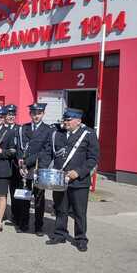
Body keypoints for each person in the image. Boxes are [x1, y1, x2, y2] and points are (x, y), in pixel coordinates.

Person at [41, 108, 99, 252]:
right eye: (64, 120)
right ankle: (60, 234)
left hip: (79, 182)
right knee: (60, 209)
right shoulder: (57, 133)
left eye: (68, 120)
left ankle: (81, 238)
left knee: (79, 212)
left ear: (78, 121)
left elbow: (93, 159)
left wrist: (78, 172)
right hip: (60, 179)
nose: (65, 122)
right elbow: (49, 153)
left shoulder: (88, 134)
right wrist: (43, 168)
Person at [17, 103, 54, 235]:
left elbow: (46, 151)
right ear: (30, 114)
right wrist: (21, 164)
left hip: (39, 168)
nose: (36, 116)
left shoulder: (48, 130)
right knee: (25, 197)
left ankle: (39, 226)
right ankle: (24, 224)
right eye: (33, 113)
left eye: (38, 113)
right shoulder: (24, 128)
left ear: (43, 114)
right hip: (25, 169)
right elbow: (20, 148)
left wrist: (28, 163)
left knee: (39, 199)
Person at [4, 104, 22, 225]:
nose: (10, 117)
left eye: (12, 115)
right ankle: (0, 214)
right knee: (1, 192)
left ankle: (16, 215)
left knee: (15, 191)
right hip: (2, 164)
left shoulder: (20, 129)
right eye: (8, 115)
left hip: (15, 165)